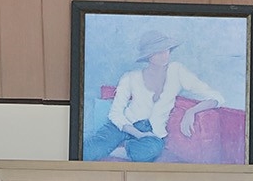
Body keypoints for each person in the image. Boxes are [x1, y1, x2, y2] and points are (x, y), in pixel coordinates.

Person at [82, 30, 224, 162]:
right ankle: (113, 147)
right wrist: (138, 134)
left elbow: (216, 97)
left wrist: (191, 111)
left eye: (166, 49)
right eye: (158, 51)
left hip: (152, 134)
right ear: (148, 56)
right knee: (88, 151)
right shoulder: (130, 77)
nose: (164, 54)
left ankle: (115, 150)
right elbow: (115, 114)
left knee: (152, 149)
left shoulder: (177, 71)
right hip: (123, 126)